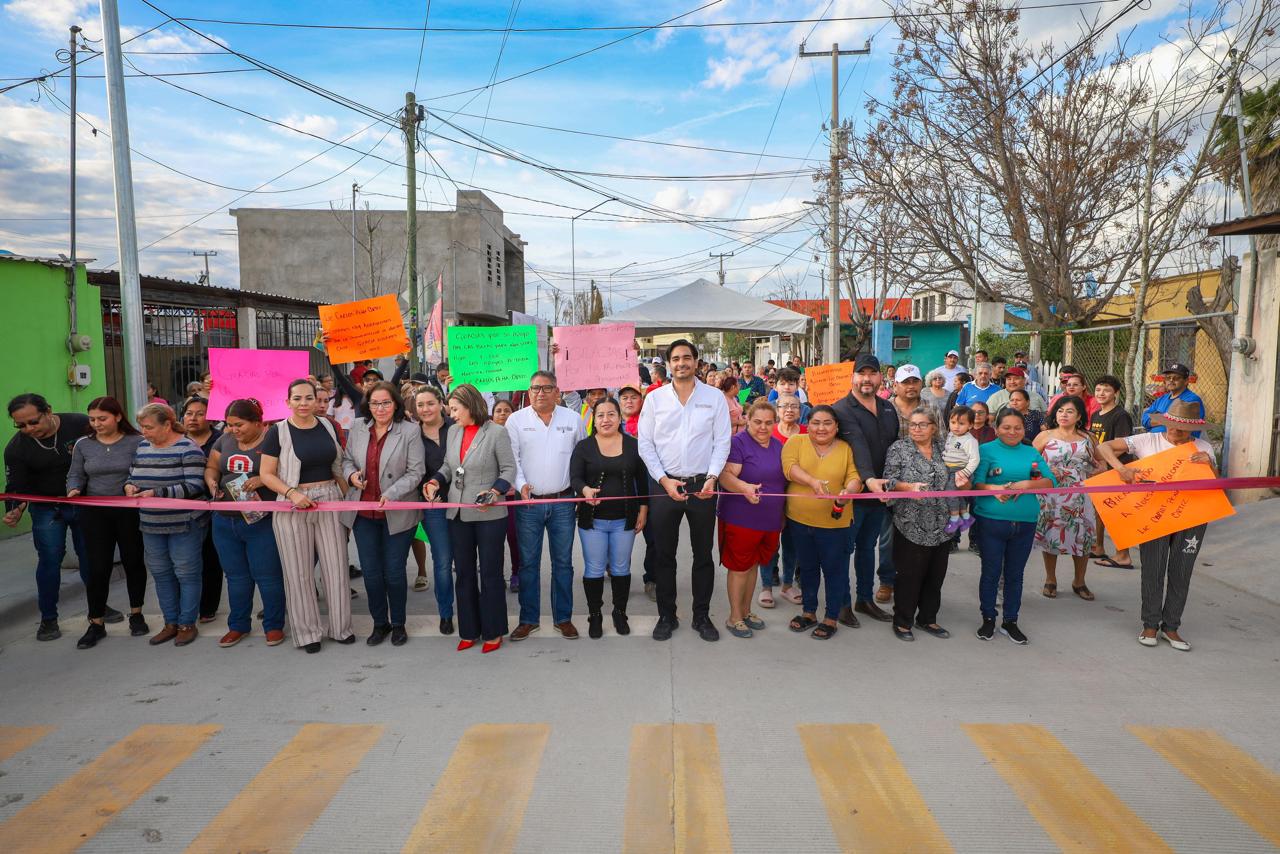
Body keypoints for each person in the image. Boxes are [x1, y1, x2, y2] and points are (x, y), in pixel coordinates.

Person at [1095, 400, 1216, 651]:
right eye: (1172, 425)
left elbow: (1216, 484)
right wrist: (1120, 469)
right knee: (1153, 568)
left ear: (1193, 429)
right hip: (1153, 515)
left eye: (1181, 428)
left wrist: (1210, 464)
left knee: (1182, 571)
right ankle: (1150, 624)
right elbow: (1103, 447)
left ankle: (1171, 626)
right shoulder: (1148, 440)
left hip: (1191, 516)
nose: (1175, 431)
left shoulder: (1203, 446)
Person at [638, 338, 732, 642]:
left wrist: (713, 476)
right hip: (664, 486)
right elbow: (646, 444)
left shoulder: (714, 397)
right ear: (668, 364)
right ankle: (667, 615)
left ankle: (701, 616)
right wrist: (663, 480)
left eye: (687, 358)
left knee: (703, 554)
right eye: (676, 358)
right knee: (664, 555)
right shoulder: (654, 399)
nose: (681, 363)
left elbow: (722, 441)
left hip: (702, 486)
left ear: (696, 361)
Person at [259, 378, 354, 654]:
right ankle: (308, 633)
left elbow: (338, 468)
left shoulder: (328, 426)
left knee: (336, 565)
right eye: (297, 398)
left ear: (317, 400)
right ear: (288, 402)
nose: (303, 404)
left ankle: (341, 628)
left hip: (330, 499)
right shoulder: (277, 432)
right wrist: (291, 493)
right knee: (298, 571)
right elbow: (266, 474)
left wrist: (350, 502)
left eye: (308, 398)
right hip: (292, 503)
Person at [423, 383, 516, 654]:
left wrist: (496, 490)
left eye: (455, 409)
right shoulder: (453, 432)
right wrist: (434, 481)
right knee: (463, 573)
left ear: (470, 405)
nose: (451, 414)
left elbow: (509, 468)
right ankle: (469, 630)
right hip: (458, 513)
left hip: (489, 514)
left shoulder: (497, 433)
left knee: (490, 573)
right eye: (450, 409)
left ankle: (493, 630)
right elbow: (448, 467)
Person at [4, 393, 96, 640]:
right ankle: (48, 619)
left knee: (91, 556)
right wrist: (15, 508)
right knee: (49, 560)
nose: (28, 429)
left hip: (85, 502)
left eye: (33, 422)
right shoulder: (16, 449)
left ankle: (98, 609)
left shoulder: (79, 424)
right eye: (21, 425)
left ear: (48, 411)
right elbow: (16, 486)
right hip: (47, 509)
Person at [340, 381, 426, 647]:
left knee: (394, 571)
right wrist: (352, 475)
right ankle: (380, 623)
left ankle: (398, 623)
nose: (380, 408)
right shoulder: (357, 427)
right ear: (368, 405)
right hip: (364, 512)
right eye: (375, 403)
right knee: (372, 572)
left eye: (386, 403)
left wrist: (392, 493)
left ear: (396, 404)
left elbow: (416, 471)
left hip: (396, 511)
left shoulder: (410, 431)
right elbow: (345, 461)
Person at [505, 370, 585, 641]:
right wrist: (520, 484)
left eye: (546, 388)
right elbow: (512, 459)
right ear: (529, 392)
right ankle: (529, 619)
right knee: (528, 564)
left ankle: (563, 618)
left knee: (563, 564)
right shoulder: (516, 421)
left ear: (557, 392)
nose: (540, 393)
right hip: (528, 504)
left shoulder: (573, 419)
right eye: (535, 388)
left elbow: (581, 458)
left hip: (563, 502)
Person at [204, 398, 286, 648]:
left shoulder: (275, 438)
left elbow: (287, 471)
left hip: (260, 520)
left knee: (267, 575)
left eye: (239, 425)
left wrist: (263, 480)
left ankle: (273, 625)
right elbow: (211, 466)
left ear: (258, 423)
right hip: (225, 520)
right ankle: (238, 625)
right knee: (236, 576)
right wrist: (212, 481)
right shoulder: (224, 439)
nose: (233, 430)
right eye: (229, 425)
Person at [66, 397, 148, 648]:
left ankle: (136, 614)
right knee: (97, 566)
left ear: (118, 417)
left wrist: (136, 487)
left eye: (102, 418)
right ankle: (96, 622)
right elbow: (76, 473)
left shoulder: (138, 442)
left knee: (133, 560)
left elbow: (144, 471)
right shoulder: (83, 445)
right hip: (95, 512)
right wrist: (74, 489)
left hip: (128, 509)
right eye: (92, 419)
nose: (97, 424)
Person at [126, 403, 209, 647]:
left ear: (167, 424)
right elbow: (133, 474)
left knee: (186, 573)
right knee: (161, 574)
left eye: (149, 427)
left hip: (184, 522)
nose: (144, 432)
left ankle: (186, 623)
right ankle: (170, 622)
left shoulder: (187, 448)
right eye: (142, 427)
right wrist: (129, 486)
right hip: (151, 522)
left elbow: (195, 485)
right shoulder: (142, 446)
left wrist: (157, 492)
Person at [972, 409, 1057, 644]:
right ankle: (988, 618)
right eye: (1006, 427)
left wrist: (1027, 484)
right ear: (997, 428)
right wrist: (995, 490)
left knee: (1015, 575)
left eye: (1017, 427)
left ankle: (1011, 621)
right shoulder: (986, 450)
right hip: (991, 520)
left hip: (1025, 522)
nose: (1012, 432)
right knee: (990, 573)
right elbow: (976, 484)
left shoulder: (1031, 452)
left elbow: (1050, 481)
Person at [877, 406, 958, 641]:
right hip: (910, 521)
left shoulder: (945, 449)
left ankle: (928, 619)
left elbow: (955, 478)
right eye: (913, 425)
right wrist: (908, 487)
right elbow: (888, 481)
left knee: (936, 575)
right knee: (909, 575)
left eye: (923, 424)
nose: (917, 429)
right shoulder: (899, 449)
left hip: (942, 522)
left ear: (934, 427)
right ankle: (902, 621)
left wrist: (964, 480)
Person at [570, 397, 648, 638]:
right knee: (593, 568)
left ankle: (619, 612)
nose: (606, 420)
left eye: (611, 414)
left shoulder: (634, 445)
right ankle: (595, 615)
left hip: (624, 519)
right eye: (601, 415)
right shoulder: (584, 447)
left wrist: (643, 510)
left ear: (619, 417)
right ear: (594, 418)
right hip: (592, 521)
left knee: (621, 567)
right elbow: (575, 478)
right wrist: (584, 491)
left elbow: (643, 481)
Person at [782, 405, 862, 640]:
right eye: (816, 422)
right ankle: (808, 612)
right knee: (806, 568)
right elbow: (789, 468)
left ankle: (831, 617)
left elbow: (855, 477)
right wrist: (812, 481)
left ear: (837, 426)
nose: (821, 428)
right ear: (809, 424)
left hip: (835, 523)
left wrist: (848, 491)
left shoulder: (846, 449)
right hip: (799, 520)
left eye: (828, 423)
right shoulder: (796, 442)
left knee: (834, 571)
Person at [834, 356, 904, 622]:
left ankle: (864, 599)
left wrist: (895, 482)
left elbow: (895, 448)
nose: (866, 379)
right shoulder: (841, 409)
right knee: (844, 550)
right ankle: (841, 603)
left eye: (871, 373)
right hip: (853, 493)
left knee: (867, 549)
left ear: (880, 378)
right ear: (852, 377)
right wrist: (868, 480)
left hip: (880, 495)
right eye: (861, 373)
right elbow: (858, 445)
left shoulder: (888, 408)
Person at [715, 401, 786, 638]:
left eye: (768, 422)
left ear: (774, 423)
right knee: (739, 567)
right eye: (757, 422)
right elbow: (724, 476)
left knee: (754, 564)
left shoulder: (778, 446)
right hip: (741, 518)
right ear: (747, 420)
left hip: (769, 520)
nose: (763, 427)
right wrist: (744, 487)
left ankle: (746, 612)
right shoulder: (738, 444)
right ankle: (734, 616)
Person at [1032, 394, 1100, 601]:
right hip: (1051, 494)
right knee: (1051, 535)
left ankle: (1079, 581)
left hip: (1080, 494)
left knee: (1083, 537)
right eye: (1060, 410)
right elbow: (1030, 462)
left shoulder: (1089, 438)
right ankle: (1050, 579)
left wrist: (1096, 472)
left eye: (1069, 411)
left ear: (1079, 415)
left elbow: (1099, 463)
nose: (1064, 415)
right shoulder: (1045, 436)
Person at [413, 386, 456, 632]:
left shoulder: (457, 427)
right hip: (433, 506)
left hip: (462, 502)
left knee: (465, 560)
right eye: (420, 405)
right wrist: (425, 492)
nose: (426, 409)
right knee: (441, 560)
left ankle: (472, 609)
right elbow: (409, 468)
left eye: (430, 403)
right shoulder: (412, 434)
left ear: (441, 403)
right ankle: (446, 613)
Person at [180, 396, 224, 624]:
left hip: (215, 508)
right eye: (189, 413)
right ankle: (186, 606)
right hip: (183, 511)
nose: (193, 418)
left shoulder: (222, 440)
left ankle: (208, 607)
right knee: (186, 561)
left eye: (200, 413)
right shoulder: (176, 440)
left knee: (211, 558)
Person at [759, 394, 805, 607]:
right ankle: (766, 586)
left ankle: (788, 585)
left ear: (801, 410)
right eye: (784, 406)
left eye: (794, 406)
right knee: (769, 543)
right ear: (777, 410)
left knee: (792, 544)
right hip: (771, 497)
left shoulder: (808, 433)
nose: (789, 410)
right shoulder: (768, 431)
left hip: (798, 496)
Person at [1088, 375, 1135, 569]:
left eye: (1106, 390)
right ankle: (1099, 546)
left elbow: (1123, 445)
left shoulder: (1121, 415)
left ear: (1116, 393)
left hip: (1116, 470)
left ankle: (1123, 554)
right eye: (1098, 390)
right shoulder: (1096, 415)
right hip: (1099, 469)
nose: (1101, 393)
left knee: (1117, 512)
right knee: (1099, 510)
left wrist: (1108, 465)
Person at [490, 399, 522, 592]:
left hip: (512, 496)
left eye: (507, 411)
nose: (503, 414)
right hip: (493, 497)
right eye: (498, 411)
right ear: (492, 415)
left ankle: (516, 573)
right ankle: (497, 575)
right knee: (495, 539)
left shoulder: (517, 435)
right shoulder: (486, 436)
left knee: (513, 536)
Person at [941, 405, 980, 534]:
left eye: (961, 423)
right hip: (949, 470)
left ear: (970, 425)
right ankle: (967, 517)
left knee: (950, 493)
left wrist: (964, 473)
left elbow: (975, 459)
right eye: (953, 422)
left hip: (960, 471)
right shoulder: (951, 435)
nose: (956, 426)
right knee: (957, 496)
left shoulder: (970, 440)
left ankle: (955, 518)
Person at [1141, 362, 1205, 437]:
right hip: (1154, 439)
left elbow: (1180, 426)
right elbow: (1144, 419)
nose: (1171, 380)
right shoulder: (1162, 398)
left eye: (1176, 378)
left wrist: (1158, 417)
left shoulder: (1192, 399)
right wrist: (1166, 419)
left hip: (1178, 443)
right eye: (1168, 377)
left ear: (1186, 381)